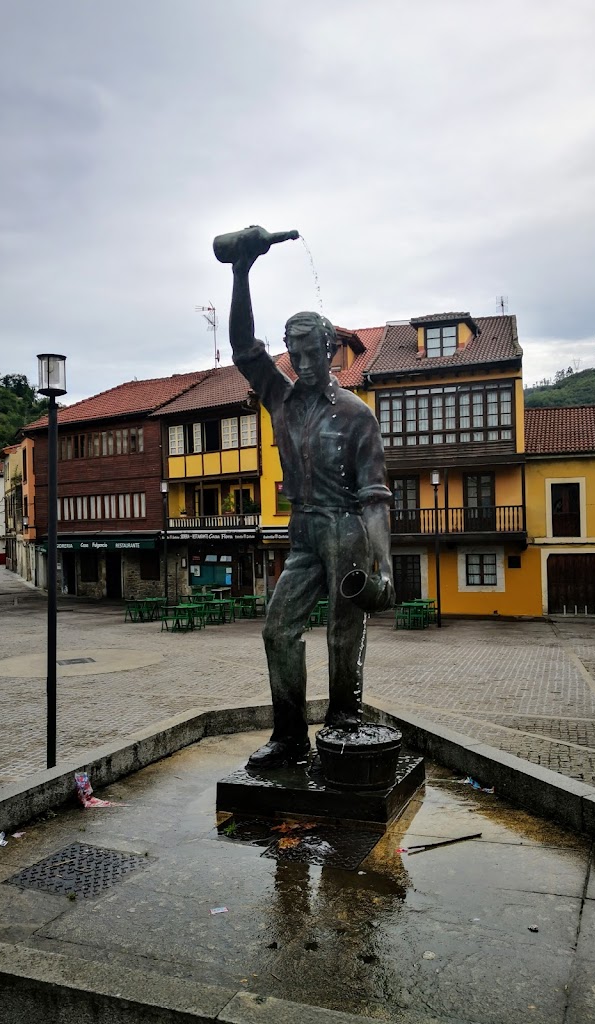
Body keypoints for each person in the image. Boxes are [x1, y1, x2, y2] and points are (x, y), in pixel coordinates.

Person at [224, 227, 394, 770]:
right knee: (278, 628)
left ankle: (344, 723)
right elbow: (244, 348)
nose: (301, 361)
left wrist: (384, 564)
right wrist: (241, 272)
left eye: (310, 352)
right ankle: (290, 737)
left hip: (347, 528)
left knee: (344, 633)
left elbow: (375, 497)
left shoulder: (357, 415)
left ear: (330, 350)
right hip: (302, 529)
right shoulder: (280, 398)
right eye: (293, 353)